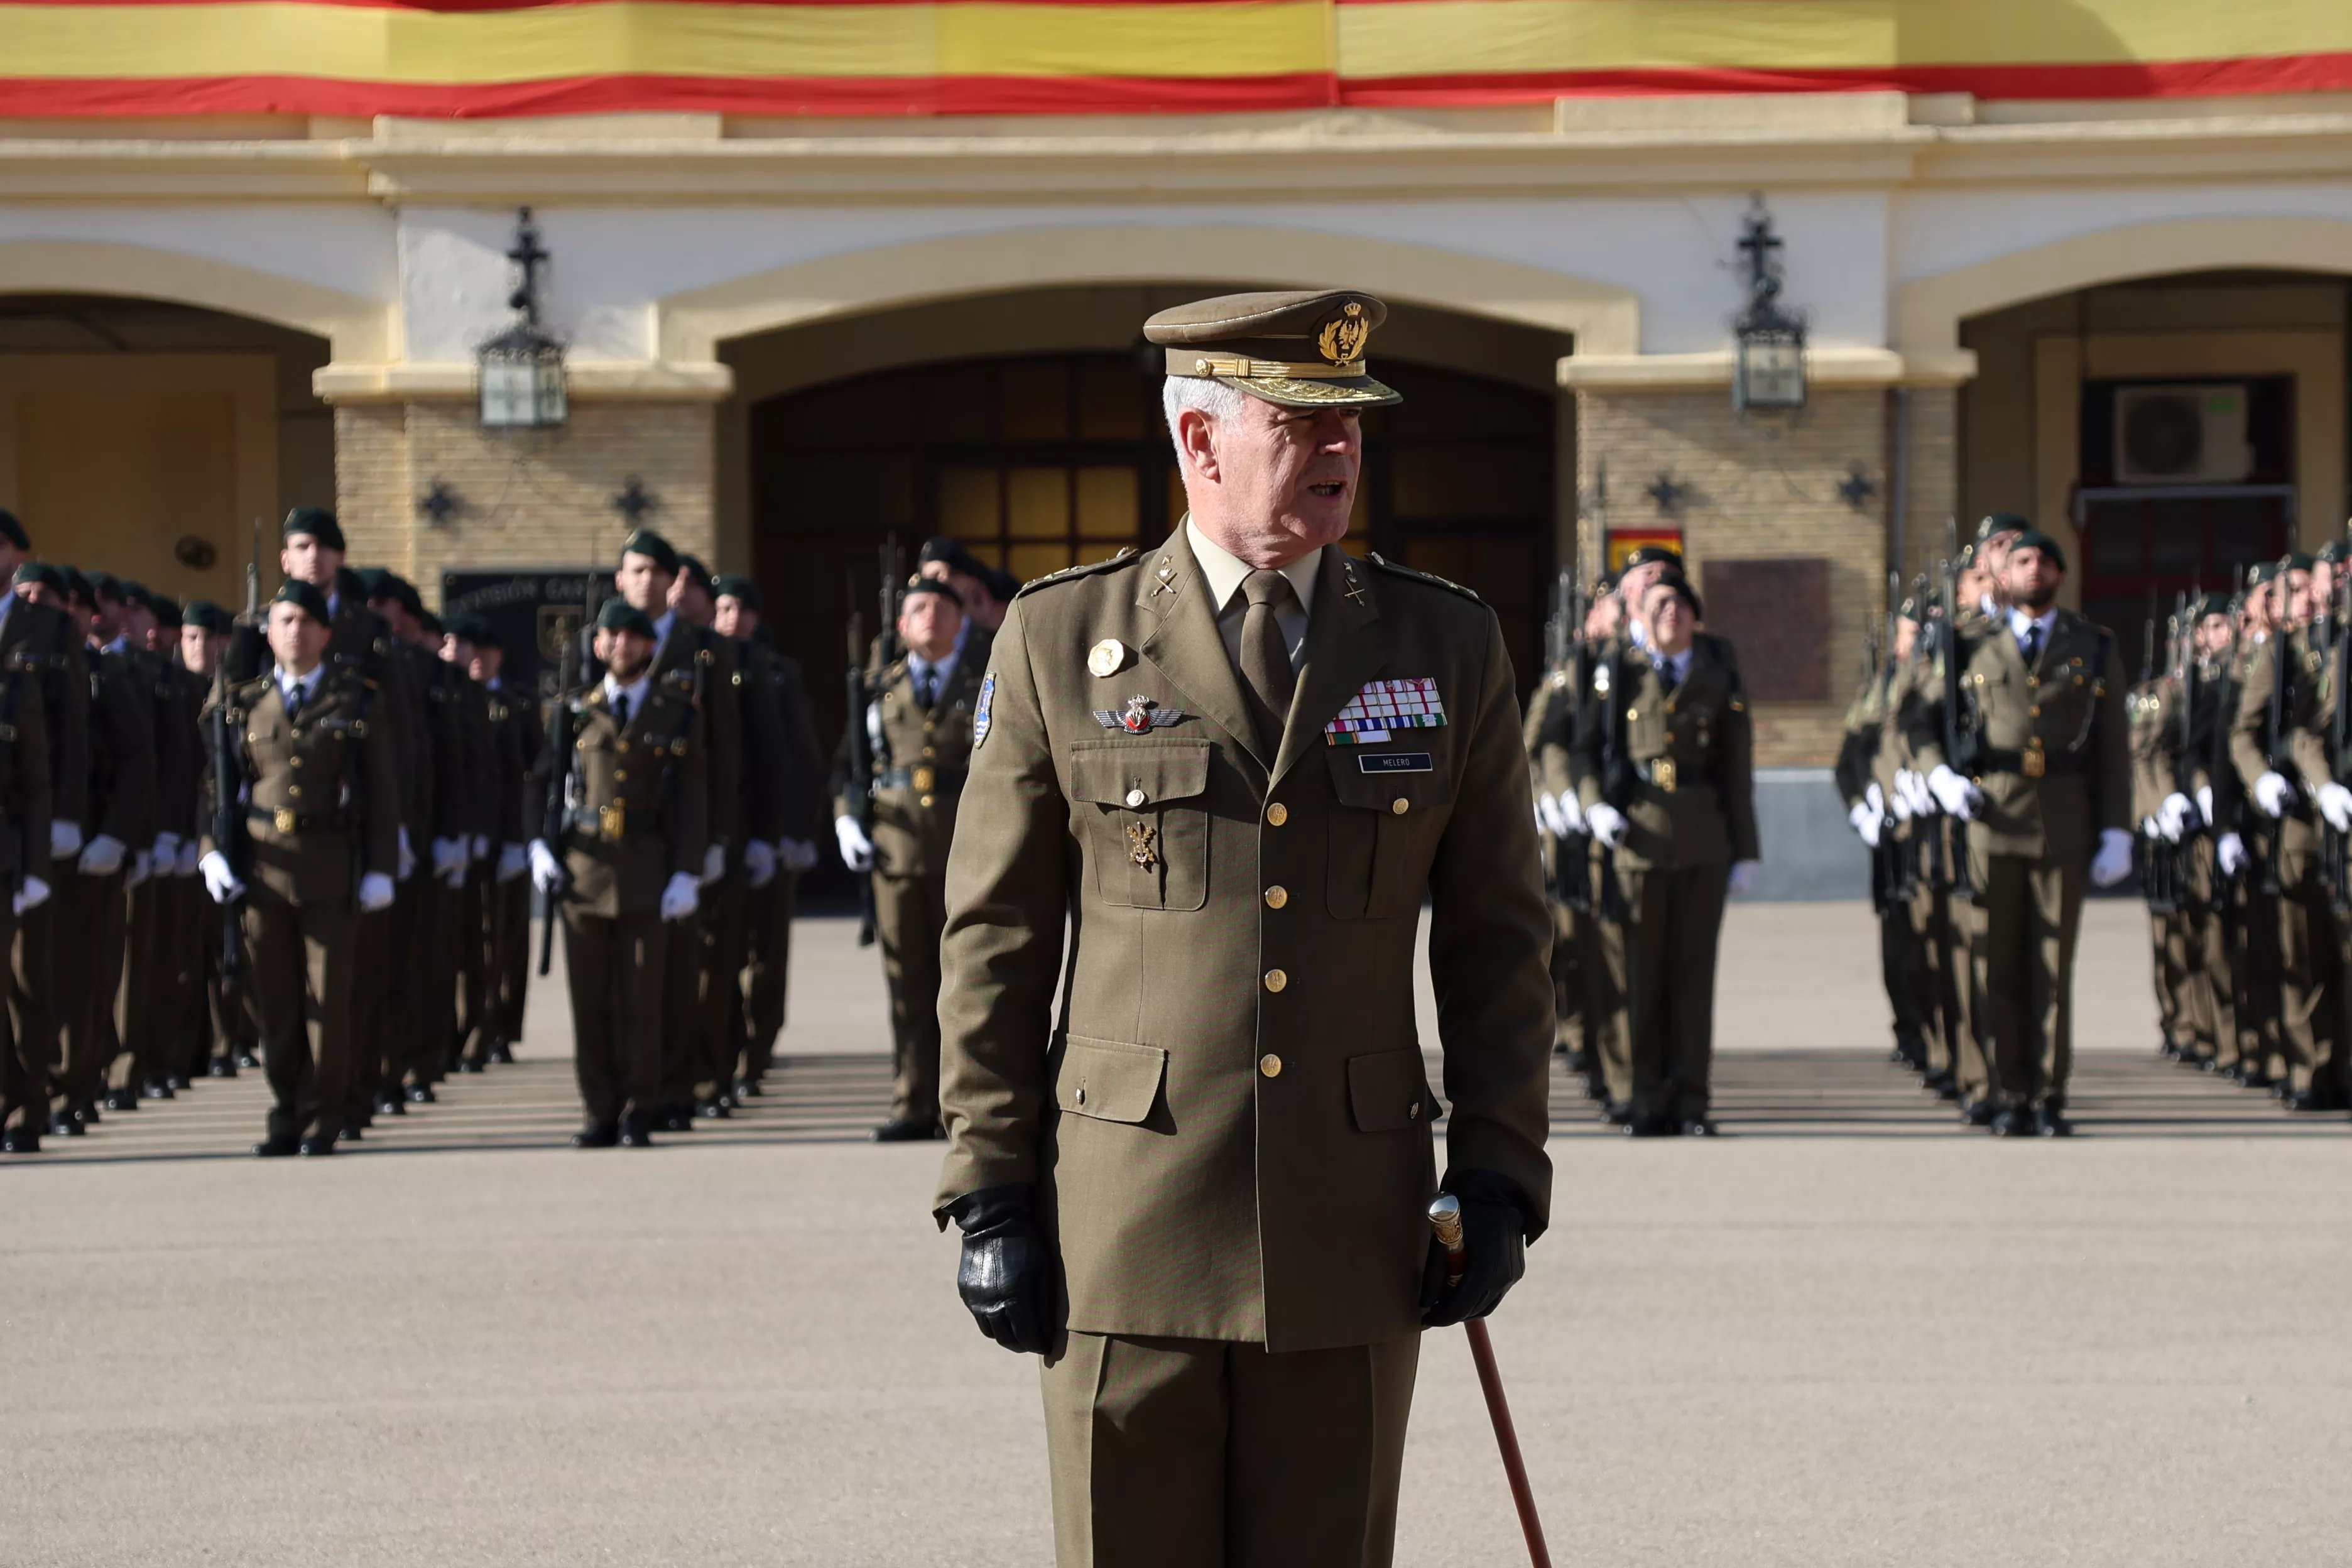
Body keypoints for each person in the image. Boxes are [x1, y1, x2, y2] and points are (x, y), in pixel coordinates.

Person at [932, 289, 1554, 1566]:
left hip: (1350, 1226)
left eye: (1352, 428)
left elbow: (1499, 935)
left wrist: (1499, 1172)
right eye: (1300, 425)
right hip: (1123, 1224)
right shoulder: (1063, 640)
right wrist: (988, 1187)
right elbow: (994, 934)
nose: (1340, 454)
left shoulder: (1447, 643)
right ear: (1199, 443)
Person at [1910, 529, 2132, 1136]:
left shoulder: (2093, 645)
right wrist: (1942, 781)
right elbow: (1921, 724)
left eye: (2044, 562)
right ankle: (2007, 1092)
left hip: (2065, 819)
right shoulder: (1965, 644)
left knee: (2053, 968)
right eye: (2021, 561)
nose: (2033, 571)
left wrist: (2118, 830)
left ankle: (2048, 1094)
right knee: (1997, 967)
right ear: (2000, 576)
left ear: (2061, 574)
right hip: (1992, 820)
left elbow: (2114, 748)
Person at [198, 580, 400, 1157]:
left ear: (326, 634)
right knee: (276, 998)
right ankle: (286, 1107)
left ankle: (325, 1113)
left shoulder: (356, 699)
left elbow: (382, 792)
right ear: (269, 631)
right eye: (285, 621)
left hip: (331, 862)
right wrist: (210, 848)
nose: (296, 631)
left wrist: (382, 866)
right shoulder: (243, 700)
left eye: (308, 622)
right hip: (261, 867)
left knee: (330, 999)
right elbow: (217, 784)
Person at [1576, 572, 1759, 1135]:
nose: (1670, 613)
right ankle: (1642, 1097)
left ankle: (1691, 1101)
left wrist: (1746, 849)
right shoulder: (1619, 672)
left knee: (1692, 978)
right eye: (1659, 605)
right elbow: (1583, 749)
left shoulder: (1715, 672)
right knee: (1639, 977)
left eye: (1680, 604)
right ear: (1641, 617)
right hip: (1639, 840)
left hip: (1703, 839)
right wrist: (1593, 806)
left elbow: (1736, 766)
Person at [528, 599, 707, 1149]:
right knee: (590, 999)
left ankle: (639, 1107)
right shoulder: (572, 709)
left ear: (649, 646)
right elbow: (542, 780)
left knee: (642, 998)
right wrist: (539, 844)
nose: (621, 645)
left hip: (647, 866)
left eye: (632, 637)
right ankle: (598, 1108)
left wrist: (687, 871)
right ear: (598, 645)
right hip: (584, 867)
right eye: (611, 636)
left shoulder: (677, 711)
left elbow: (694, 798)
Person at [836, 575, 983, 1142]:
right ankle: (911, 1100)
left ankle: (966, 1110)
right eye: (918, 608)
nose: (930, 617)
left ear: (960, 622)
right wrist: (848, 818)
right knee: (907, 986)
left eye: (942, 608)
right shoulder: (878, 689)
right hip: (896, 855)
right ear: (900, 625)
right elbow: (850, 765)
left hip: (961, 856)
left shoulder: (982, 684)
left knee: (965, 988)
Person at [611, 529, 740, 1131]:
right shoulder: (602, 643)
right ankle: (630, 1086)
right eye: (634, 570)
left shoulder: (705, 650)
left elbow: (727, 750)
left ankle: (677, 1087)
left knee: (682, 971)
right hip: (622, 838)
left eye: (654, 572)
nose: (644, 581)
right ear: (620, 580)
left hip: (684, 831)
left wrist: (718, 840)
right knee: (625, 975)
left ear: (672, 583)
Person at [2232, 555, 2344, 1111]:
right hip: (2300, 820)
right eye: (2300, 589)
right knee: (2306, 953)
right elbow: (2243, 734)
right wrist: (2263, 784)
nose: (2311, 598)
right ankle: (2310, 1068)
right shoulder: (2283, 654)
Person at [712, 575, 824, 1098]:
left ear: (754, 617)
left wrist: (795, 831)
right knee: (723, 950)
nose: (728, 617)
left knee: (766, 951)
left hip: (772, 832)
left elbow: (799, 758)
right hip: (728, 832)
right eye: (721, 608)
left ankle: (757, 1049)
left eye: (737, 608)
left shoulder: (778, 674)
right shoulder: (707, 667)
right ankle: (726, 1049)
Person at [0, 532, 84, 1152]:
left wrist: (65, 821)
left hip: (23, 823)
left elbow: (73, 731)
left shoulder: (51, 630)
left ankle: (30, 1103)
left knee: (32, 978)